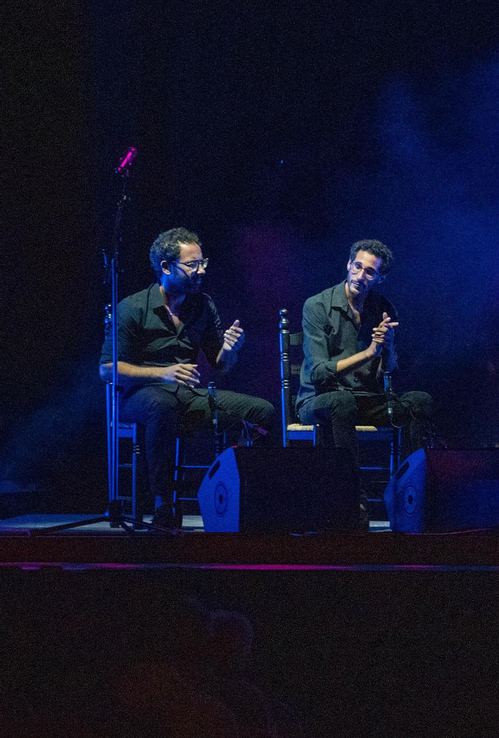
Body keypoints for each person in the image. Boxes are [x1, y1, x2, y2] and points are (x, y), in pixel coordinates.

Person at [100, 227, 275, 529]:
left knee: (262, 412)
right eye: (192, 264)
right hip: (140, 396)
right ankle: (163, 505)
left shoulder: (202, 305)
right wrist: (163, 372)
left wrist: (231, 349)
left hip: (188, 396)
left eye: (202, 262)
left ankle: (244, 498)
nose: (201, 270)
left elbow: (220, 365)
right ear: (166, 267)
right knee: (163, 405)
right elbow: (107, 369)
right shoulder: (133, 307)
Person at [296, 239, 434, 459]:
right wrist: (369, 353)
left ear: (380, 278)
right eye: (358, 267)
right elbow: (318, 373)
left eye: (369, 272)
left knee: (420, 401)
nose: (360, 276)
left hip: (366, 399)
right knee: (342, 401)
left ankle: (413, 477)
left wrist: (387, 346)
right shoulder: (317, 305)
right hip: (320, 401)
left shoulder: (384, 309)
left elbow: (389, 372)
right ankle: (350, 480)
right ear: (349, 264)